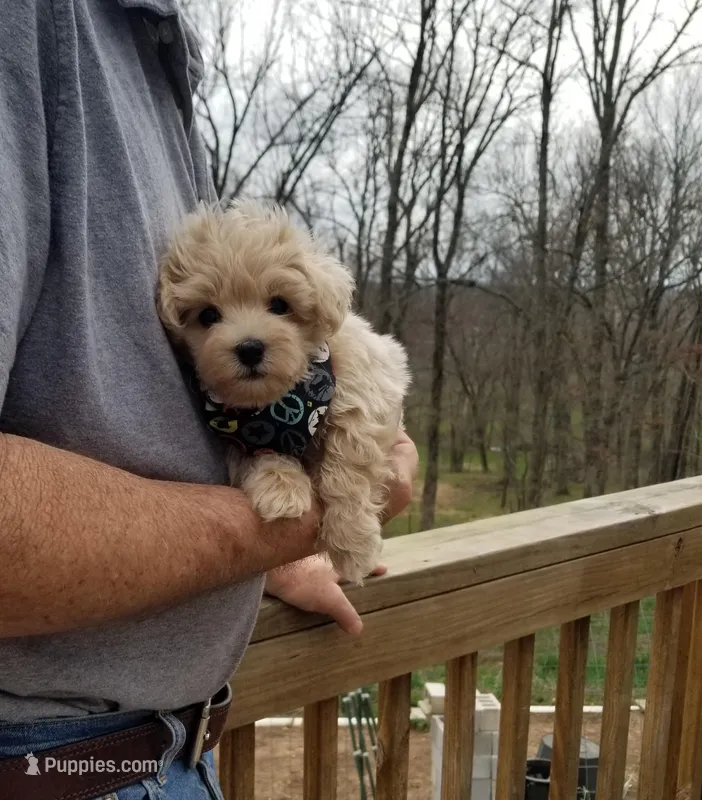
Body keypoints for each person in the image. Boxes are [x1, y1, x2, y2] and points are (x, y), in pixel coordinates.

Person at [0, 1, 419, 798]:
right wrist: (280, 529)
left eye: (278, 307)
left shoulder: (143, 39)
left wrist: (271, 566)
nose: (246, 336)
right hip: (57, 763)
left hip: (176, 745)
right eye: (207, 317)